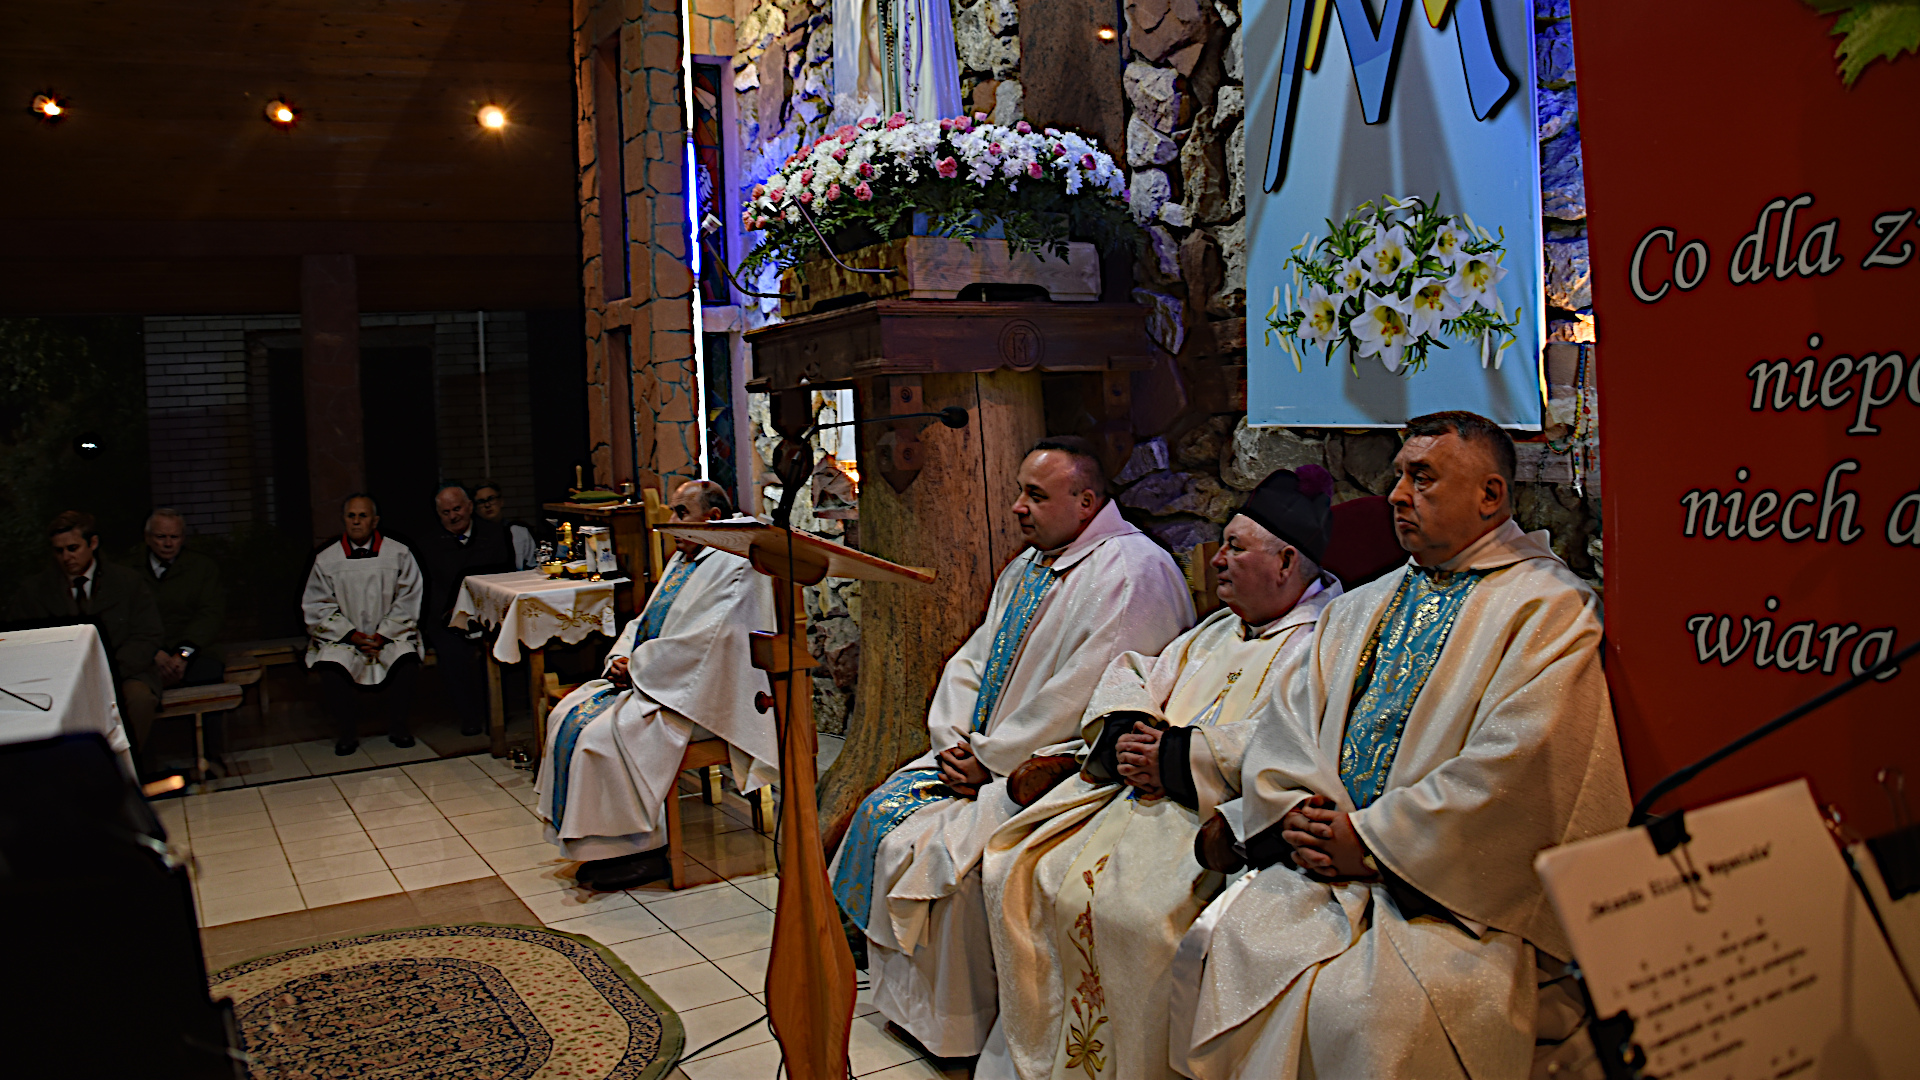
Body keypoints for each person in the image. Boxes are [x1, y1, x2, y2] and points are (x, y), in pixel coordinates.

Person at [1170, 412, 1629, 1080]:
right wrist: (1297, 812)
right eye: (1398, 476)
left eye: (1423, 477)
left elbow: (1525, 765)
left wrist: (1372, 843)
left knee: (1370, 1021)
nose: (1397, 494)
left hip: (1452, 898)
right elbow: (1288, 726)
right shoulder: (1363, 604)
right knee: (1224, 948)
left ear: (1491, 496)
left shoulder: (1549, 610)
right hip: (1318, 871)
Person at [828, 436, 1194, 1061]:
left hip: (1061, 770)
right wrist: (953, 739)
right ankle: (914, 1009)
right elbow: (972, 659)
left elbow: (1085, 694)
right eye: (1020, 491)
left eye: (1036, 495)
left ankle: (959, 1026)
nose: (1018, 507)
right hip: (986, 756)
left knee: (945, 859)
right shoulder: (1029, 566)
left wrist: (994, 761)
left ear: (1086, 502)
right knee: (885, 819)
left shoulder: (1133, 573)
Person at [979, 466, 1346, 1080]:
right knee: (1023, 868)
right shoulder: (1219, 627)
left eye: (1235, 548)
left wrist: (1174, 757)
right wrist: (1129, 733)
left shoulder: (1325, 642)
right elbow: (1137, 673)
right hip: (1138, 796)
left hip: (1212, 821)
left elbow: (1293, 742)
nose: (1216, 560)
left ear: (1286, 562)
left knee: (1142, 921)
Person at [533, 480, 777, 890]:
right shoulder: (687, 557)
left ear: (712, 518)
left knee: (600, 739)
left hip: (700, 696)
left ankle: (641, 852)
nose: (670, 522)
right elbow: (646, 620)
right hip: (661, 681)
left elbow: (711, 642)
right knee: (565, 716)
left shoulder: (736, 563)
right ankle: (603, 849)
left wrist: (639, 668)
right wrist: (620, 659)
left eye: (681, 513)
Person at [8, 510, 164, 770]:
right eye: (59, 551)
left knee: (138, 699)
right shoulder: (35, 591)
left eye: (73, 548)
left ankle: (120, 770)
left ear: (92, 543)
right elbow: (22, 639)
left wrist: (109, 670)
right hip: (59, 680)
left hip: (123, 672)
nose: (67, 557)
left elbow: (148, 634)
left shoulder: (126, 582)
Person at [302, 494, 425, 754]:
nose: (356, 521)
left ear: (375, 521)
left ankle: (399, 727)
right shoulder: (327, 559)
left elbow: (409, 598)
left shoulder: (399, 553)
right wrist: (350, 635)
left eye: (363, 516)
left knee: (405, 661)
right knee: (332, 667)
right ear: (344, 519)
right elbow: (317, 605)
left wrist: (384, 634)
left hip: (389, 635)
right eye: (351, 516)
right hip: (345, 639)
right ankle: (347, 733)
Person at [416, 484, 516, 736]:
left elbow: (505, 577)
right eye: (446, 512)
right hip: (448, 616)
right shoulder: (428, 543)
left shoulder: (495, 534)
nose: (453, 516)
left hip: (489, 611)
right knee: (452, 653)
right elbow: (430, 589)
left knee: (501, 645)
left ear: (470, 507)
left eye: (457, 509)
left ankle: (498, 711)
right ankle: (469, 715)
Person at [138, 508, 226, 689]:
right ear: (148, 537)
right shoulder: (129, 571)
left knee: (206, 674)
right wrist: (153, 651)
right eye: (161, 537)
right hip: (145, 652)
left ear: (183, 538)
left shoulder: (202, 568)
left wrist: (183, 654)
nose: (168, 544)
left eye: (175, 537)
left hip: (194, 651)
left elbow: (210, 615)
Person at [474, 480, 537, 570]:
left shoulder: (518, 531)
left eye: (491, 499)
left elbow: (531, 565)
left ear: (501, 501)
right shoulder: (474, 537)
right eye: (481, 502)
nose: (487, 505)